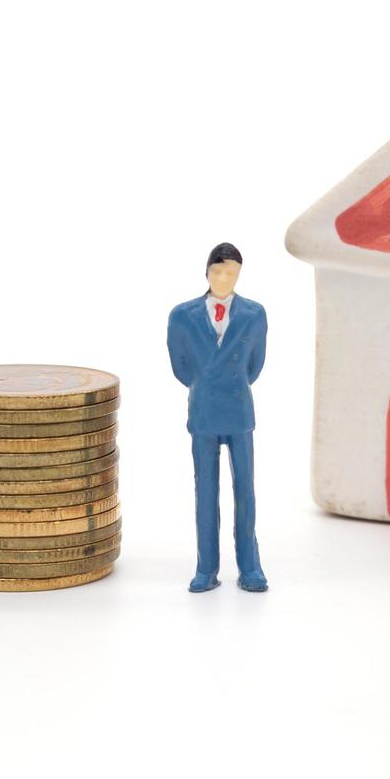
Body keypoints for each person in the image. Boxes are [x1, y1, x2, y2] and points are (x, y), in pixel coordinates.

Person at [166, 242, 269, 592]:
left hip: (239, 412)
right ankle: (206, 568)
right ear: (207, 271)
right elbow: (181, 367)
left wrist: (230, 383)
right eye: (219, 271)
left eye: (232, 273)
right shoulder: (182, 314)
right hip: (205, 411)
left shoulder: (255, 314)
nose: (225, 279)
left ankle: (250, 567)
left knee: (246, 493)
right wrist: (205, 384)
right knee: (205, 494)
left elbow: (254, 366)